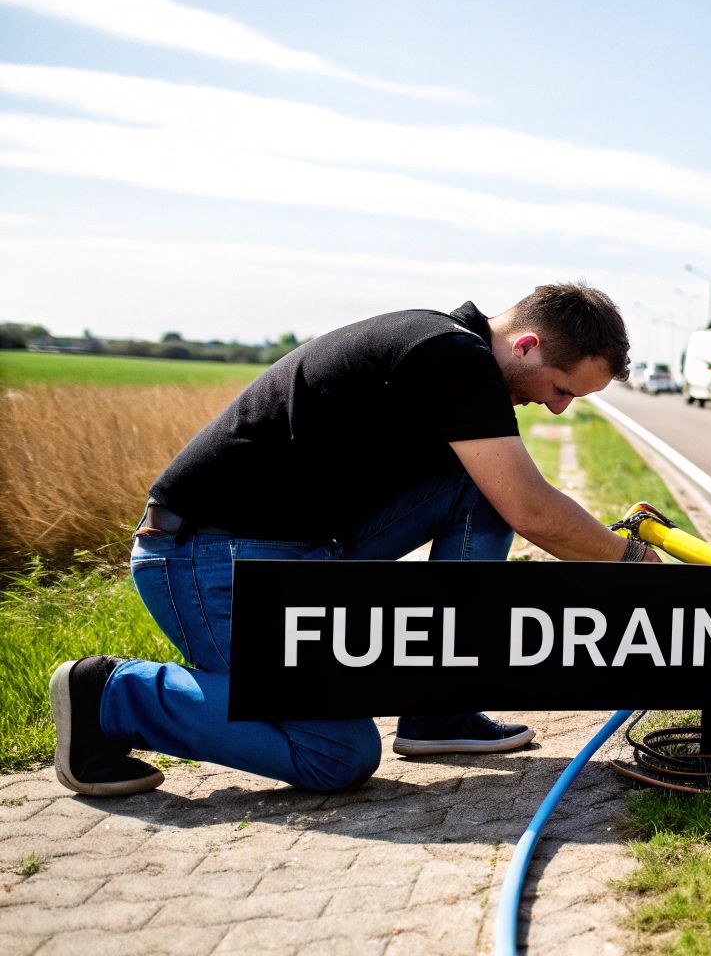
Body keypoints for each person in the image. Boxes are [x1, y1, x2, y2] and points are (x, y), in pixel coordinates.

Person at [49, 283, 662, 797]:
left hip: (298, 549)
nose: (557, 409)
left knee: (476, 486)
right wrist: (636, 561)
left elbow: (512, 495)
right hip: (209, 560)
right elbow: (533, 512)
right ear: (525, 345)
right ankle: (110, 695)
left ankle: (438, 703)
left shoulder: (450, 350)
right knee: (336, 754)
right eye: (562, 389)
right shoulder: (449, 355)